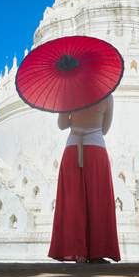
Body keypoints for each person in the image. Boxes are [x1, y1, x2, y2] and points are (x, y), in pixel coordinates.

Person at [48, 93, 120, 263]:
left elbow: (62, 124)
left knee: (73, 201)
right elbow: (105, 129)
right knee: (98, 200)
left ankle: (77, 251)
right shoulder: (107, 96)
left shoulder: (69, 94)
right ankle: (97, 252)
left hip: (73, 147)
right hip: (96, 149)